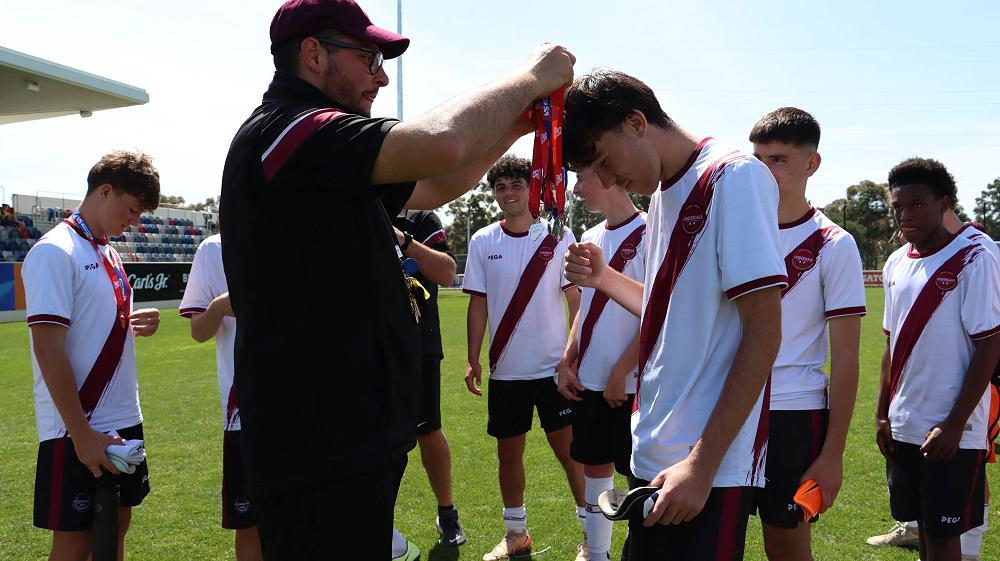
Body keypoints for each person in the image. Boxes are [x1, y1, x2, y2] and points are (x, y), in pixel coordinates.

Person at [218, 0, 575, 558]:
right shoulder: (294, 131)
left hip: (346, 435)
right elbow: (442, 143)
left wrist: (518, 122)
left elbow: (437, 181)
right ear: (313, 54)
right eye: (369, 59)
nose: (382, 77)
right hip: (319, 445)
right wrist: (528, 78)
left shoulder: (321, 148)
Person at [562, 69, 786, 561]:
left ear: (636, 123)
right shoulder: (665, 192)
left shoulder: (734, 175)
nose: (604, 181)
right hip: (657, 450)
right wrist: (605, 278)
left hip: (705, 468)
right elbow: (672, 315)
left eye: (603, 161)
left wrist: (702, 465)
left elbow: (765, 332)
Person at [22, 150, 162, 560]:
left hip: (124, 418)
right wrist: (81, 434)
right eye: (133, 209)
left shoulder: (108, 251)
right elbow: (48, 348)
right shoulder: (54, 251)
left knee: (114, 530)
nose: (135, 222)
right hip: (75, 427)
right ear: (105, 191)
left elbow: (90, 323)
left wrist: (133, 321)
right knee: (76, 544)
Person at [748, 107, 865, 561]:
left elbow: (848, 360)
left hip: (794, 416)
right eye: (758, 159)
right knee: (713, 538)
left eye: (778, 159)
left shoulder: (834, 244)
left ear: (811, 164)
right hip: (729, 410)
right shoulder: (735, 232)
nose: (765, 170)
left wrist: (832, 453)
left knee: (787, 544)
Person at [877, 157, 1000, 561]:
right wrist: (882, 415)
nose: (904, 214)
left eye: (916, 204)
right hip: (905, 424)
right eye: (898, 206)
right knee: (924, 532)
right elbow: (890, 347)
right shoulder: (896, 261)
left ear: (943, 203)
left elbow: (989, 347)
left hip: (953, 431)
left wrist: (954, 424)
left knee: (945, 537)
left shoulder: (976, 256)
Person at [462, 154, 584, 561]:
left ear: (531, 189)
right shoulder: (482, 241)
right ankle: (516, 534)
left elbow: (575, 299)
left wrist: (572, 356)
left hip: (554, 371)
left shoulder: (557, 236)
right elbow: (477, 303)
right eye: (500, 187)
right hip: (506, 373)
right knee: (507, 455)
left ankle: (590, 535)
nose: (508, 194)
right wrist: (472, 357)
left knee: (570, 454)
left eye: (516, 185)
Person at [556, 167, 645, 561]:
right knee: (595, 467)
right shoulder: (590, 237)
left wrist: (621, 371)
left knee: (638, 475)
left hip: (634, 385)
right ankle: (597, 553)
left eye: (582, 178)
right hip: (591, 381)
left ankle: (636, 551)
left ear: (609, 176)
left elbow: (659, 314)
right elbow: (584, 311)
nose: (575, 189)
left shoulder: (650, 233)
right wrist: (567, 359)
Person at [179, 234, 262, 561]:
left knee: (306, 515)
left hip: (303, 404)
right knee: (250, 523)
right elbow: (199, 331)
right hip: (243, 411)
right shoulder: (213, 249)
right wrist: (218, 307)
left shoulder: (300, 230)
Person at [389, 208, 464, 559]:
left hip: (419, 344)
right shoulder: (358, 204)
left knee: (427, 430)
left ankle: (447, 513)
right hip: (368, 346)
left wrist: (403, 241)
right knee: (373, 440)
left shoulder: (421, 219)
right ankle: (376, 522)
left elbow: (448, 272)